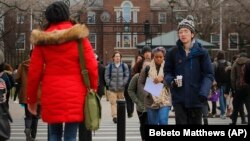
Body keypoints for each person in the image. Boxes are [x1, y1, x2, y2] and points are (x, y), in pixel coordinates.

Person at [26, 1, 98, 141]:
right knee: (70, 136)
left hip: (51, 92)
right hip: (75, 93)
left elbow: (34, 73)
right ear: (67, 15)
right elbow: (92, 66)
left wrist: (31, 99)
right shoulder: (79, 38)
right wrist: (93, 87)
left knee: (54, 134)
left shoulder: (42, 41)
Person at [164, 15, 213, 125]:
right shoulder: (172, 52)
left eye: (186, 31)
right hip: (179, 99)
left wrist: (203, 93)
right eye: (180, 32)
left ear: (192, 34)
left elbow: (208, 75)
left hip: (197, 99)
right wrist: (172, 81)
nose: (183, 34)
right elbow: (167, 72)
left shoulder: (202, 53)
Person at [139, 47, 172, 125]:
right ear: (153, 56)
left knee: (163, 121)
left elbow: (171, 81)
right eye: (156, 57)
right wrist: (146, 94)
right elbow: (140, 83)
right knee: (153, 123)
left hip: (165, 100)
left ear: (164, 57)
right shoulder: (147, 68)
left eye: (160, 57)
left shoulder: (168, 68)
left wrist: (162, 80)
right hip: (151, 101)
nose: (158, 59)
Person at [15, 50, 41, 141]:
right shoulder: (43, 65)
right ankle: (33, 136)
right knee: (36, 116)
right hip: (38, 94)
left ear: (29, 55)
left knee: (28, 115)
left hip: (27, 94)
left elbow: (17, 78)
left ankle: (27, 128)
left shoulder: (22, 65)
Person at [104, 51, 129, 123]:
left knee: (121, 104)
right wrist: (109, 83)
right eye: (116, 56)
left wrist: (124, 83)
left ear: (121, 58)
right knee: (113, 103)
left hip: (121, 89)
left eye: (119, 56)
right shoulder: (110, 66)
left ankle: (120, 116)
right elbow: (106, 76)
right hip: (112, 89)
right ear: (113, 58)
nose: (118, 58)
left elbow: (127, 76)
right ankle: (114, 116)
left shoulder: (124, 66)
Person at [230, 52, 250, 125]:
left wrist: (234, 88)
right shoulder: (249, 62)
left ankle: (234, 122)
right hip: (247, 87)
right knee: (248, 106)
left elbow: (232, 78)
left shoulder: (235, 63)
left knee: (236, 106)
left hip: (238, 87)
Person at [213, 51, 231, 119]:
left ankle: (223, 113)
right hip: (227, 83)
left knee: (220, 98)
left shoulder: (215, 63)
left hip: (218, 83)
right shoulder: (228, 63)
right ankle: (223, 110)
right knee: (224, 98)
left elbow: (212, 74)